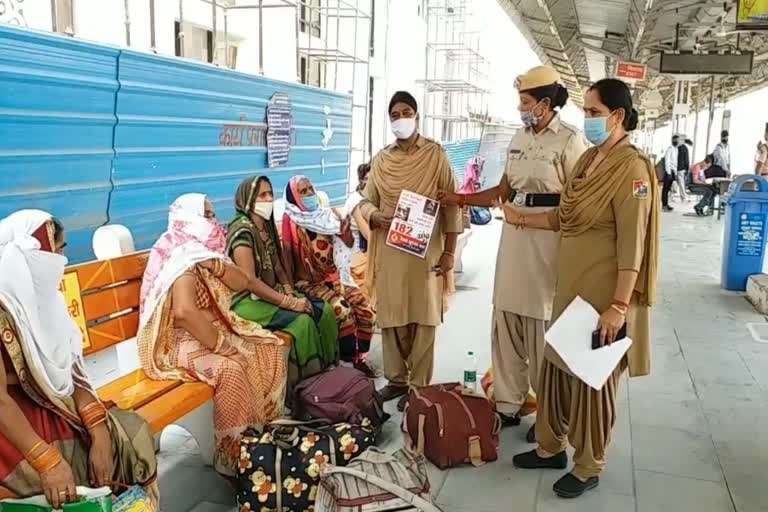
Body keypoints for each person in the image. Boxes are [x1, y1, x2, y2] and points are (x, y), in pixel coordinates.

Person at [506, 78, 659, 499]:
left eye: (593, 112)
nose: (587, 119)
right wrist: (520, 218)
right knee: (555, 367)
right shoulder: (590, 159)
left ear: (618, 116)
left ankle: (589, 464)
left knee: (592, 379)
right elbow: (563, 216)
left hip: (603, 292)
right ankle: (551, 447)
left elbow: (634, 243)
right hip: (569, 286)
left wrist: (618, 305)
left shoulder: (633, 170)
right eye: (585, 111)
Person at [438, 65, 587, 442]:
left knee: (541, 325)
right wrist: (460, 198)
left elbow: (578, 203)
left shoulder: (570, 141)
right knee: (505, 319)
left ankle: (550, 414)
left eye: (525, 102)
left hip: (547, 241)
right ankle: (508, 404)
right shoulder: (518, 137)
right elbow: (503, 190)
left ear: (546, 103)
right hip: (514, 238)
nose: (521, 108)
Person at [0, 211, 157, 507]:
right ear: (31, 255)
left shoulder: (46, 300)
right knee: (70, 477)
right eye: (57, 250)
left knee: (133, 435)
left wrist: (98, 431)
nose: (62, 259)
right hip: (12, 426)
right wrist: (47, 461)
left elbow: (72, 372)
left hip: (55, 407)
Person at [138, 194, 289, 476]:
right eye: (206, 215)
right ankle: (234, 461)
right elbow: (183, 312)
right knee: (231, 368)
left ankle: (260, 431)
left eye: (212, 213)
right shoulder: (180, 254)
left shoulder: (201, 250)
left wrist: (214, 264)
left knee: (268, 345)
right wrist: (222, 346)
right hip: (174, 340)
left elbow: (241, 280)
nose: (213, 221)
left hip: (207, 329)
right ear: (189, 218)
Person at [358, 90, 463, 411]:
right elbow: (365, 201)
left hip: (427, 250)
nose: (399, 119)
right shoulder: (382, 159)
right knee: (392, 316)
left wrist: (448, 253)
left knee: (424, 315)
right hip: (390, 249)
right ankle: (396, 380)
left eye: (405, 112)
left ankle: (418, 385)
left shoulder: (436, 156)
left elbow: (452, 206)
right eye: (394, 115)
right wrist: (376, 216)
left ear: (417, 115)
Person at [226, 176, 339, 390]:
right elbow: (249, 281)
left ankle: (328, 370)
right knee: (302, 322)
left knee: (324, 311)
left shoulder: (265, 227)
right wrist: (289, 303)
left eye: (270, 194)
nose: (268, 199)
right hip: (246, 302)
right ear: (248, 199)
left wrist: (289, 289)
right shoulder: (241, 231)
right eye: (262, 195)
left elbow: (277, 266)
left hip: (271, 292)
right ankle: (305, 387)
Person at [282, 175, 377, 374]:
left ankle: (360, 359)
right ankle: (347, 364)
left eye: (311, 189)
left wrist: (346, 235)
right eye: (303, 191)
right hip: (309, 283)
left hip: (336, 277)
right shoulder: (291, 221)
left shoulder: (329, 215)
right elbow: (288, 256)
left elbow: (349, 245)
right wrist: (289, 291)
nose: (309, 194)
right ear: (294, 198)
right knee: (342, 311)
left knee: (366, 310)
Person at [343, 163, 373, 294]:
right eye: (369, 179)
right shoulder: (356, 201)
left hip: (366, 254)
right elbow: (368, 235)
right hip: (356, 257)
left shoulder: (370, 199)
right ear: (362, 180)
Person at [662, 135, 679, 211]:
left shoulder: (676, 149)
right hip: (668, 171)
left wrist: (675, 173)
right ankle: (664, 205)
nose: (677, 141)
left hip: (673, 171)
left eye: (677, 140)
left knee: (669, 189)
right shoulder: (669, 149)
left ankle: (667, 204)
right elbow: (667, 161)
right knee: (665, 189)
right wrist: (668, 173)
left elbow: (675, 163)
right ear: (672, 140)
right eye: (675, 140)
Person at [676, 135, 690, 202]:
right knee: (681, 183)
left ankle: (673, 194)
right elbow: (686, 160)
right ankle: (683, 197)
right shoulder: (685, 148)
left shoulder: (677, 148)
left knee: (677, 182)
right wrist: (687, 169)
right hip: (681, 169)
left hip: (675, 168)